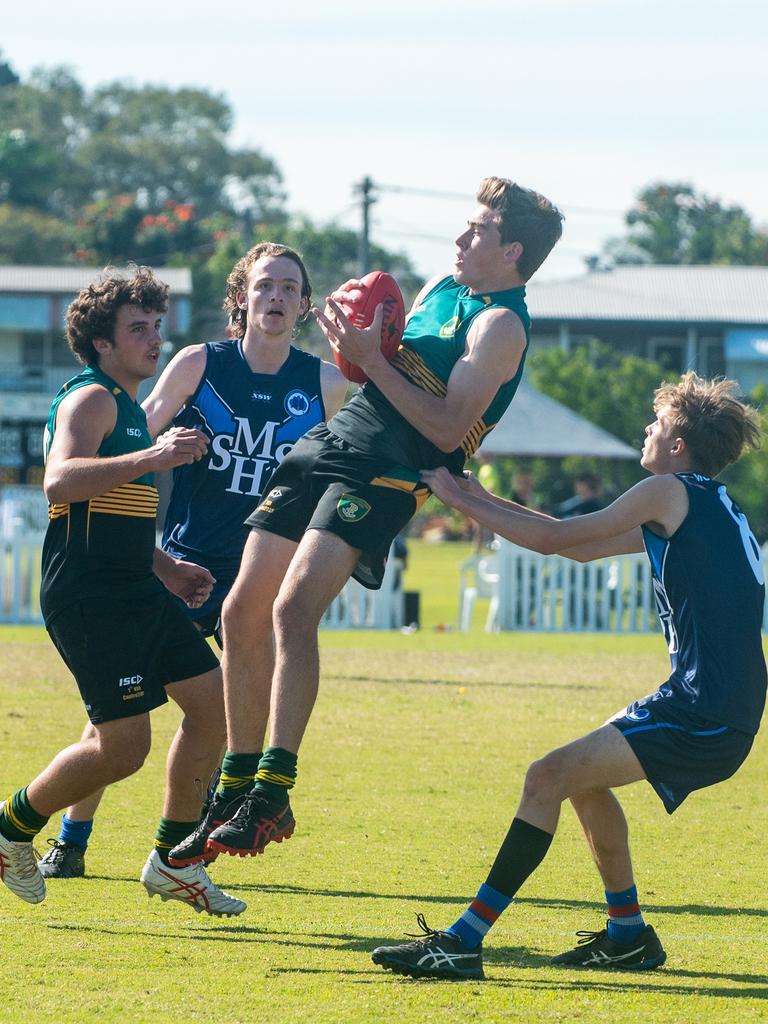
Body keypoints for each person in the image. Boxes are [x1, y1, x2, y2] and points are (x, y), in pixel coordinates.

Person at [166, 177, 563, 867]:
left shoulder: (502, 326)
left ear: (514, 251)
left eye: (478, 232)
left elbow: (445, 425)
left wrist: (373, 360)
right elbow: (377, 356)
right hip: (338, 437)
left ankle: (272, 790)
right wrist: (358, 340)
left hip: (390, 467)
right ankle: (236, 784)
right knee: (241, 613)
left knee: (293, 610)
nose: (461, 239)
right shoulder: (444, 283)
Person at [371, 372, 765, 979]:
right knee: (580, 780)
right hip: (711, 705)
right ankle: (628, 934)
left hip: (704, 710)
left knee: (546, 776)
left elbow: (554, 539)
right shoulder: (704, 502)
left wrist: (456, 497)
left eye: (656, 423)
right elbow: (579, 547)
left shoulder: (666, 491)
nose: (646, 429)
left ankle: (462, 941)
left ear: (679, 446)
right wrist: (474, 494)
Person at [36, 243, 348, 881]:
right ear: (241, 298)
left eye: (291, 288)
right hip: (187, 560)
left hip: (263, 570)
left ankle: (190, 842)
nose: (278, 298)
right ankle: (73, 833)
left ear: (306, 305)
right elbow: (134, 431)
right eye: (265, 286)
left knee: (226, 707)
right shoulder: (200, 363)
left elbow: (342, 468)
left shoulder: (325, 383)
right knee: (120, 703)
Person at [0, 266, 251, 914]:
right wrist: (153, 457)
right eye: (138, 328)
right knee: (124, 748)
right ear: (102, 343)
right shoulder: (94, 399)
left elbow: (120, 508)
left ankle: (173, 860)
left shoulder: (129, 406)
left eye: (156, 326)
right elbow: (60, 483)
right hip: (88, 595)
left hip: (137, 586)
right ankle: (10, 827)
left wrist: (165, 566)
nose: (154, 339)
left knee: (213, 704)